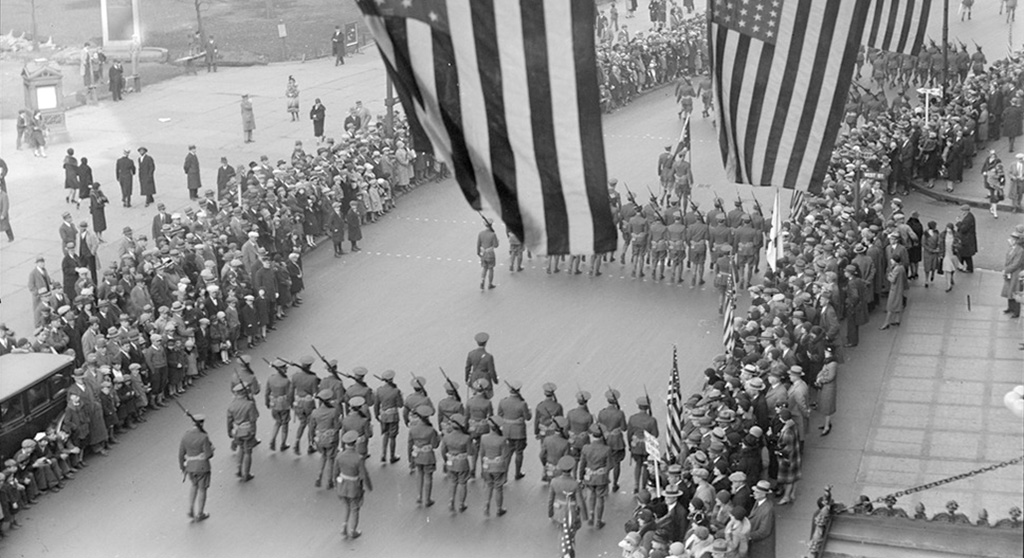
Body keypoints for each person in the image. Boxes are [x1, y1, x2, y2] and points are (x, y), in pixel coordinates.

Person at [334, 430, 371, 539]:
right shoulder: (358, 458)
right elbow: (364, 475)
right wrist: (369, 486)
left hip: (342, 486)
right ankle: (353, 531)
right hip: (354, 487)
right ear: (355, 443)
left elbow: (335, 473)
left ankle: (344, 526)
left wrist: (336, 485)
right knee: (355, 508)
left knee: (346, 506)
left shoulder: (339, 456)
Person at [178, 414, 214, 522]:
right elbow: (208, 454)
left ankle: (190, 507)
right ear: (202, 423)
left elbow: (181, 454)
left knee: (194, 485)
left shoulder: (185, 436)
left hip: (190, 467)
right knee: (202, 489)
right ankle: (200, 513)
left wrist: (182, 468)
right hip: (202, 466)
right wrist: (211, 450)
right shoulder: (203, 436)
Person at [497, 380, 531, 480]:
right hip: (519, 432)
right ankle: (517, 473)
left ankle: (504, 476)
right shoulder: (522, 404)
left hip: (506, 431)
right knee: (519, 453)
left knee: (507, 454)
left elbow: (499, 415)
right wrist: (529, 411)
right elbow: (528, 417)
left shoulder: (503, 401)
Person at [579, 424, 611, 528]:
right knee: (600, 498)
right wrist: (604, 470)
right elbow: (610, 465)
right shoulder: (606, 449)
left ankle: (591, 515)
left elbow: (582, 464)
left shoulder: (586, 448)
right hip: (601, 478)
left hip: (589, 476)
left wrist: (580, 477)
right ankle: (598, 521)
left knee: (591, 495)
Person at [408, 405, 440, 507]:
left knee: (419, 474)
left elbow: (410, 444)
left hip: (417, 455)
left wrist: (410, 458)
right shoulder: (431, 430)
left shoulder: (413, 429)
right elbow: (435, 445)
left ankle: (419, 496)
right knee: (428, 476)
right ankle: (427, 499)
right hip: (428, 456)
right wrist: (438, 438)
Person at [226, 382, 259, 481]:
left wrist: (229, 432)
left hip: (237, 430)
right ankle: (246, 474)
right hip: (247, 430)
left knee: (240, 448)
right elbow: (253, 419)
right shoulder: (249, 404)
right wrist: (253, 432)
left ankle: (238, 468)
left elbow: (229, 421)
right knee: (248, 452)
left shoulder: (232, 405)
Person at [309, 389, 342, 488]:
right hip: (330, 439)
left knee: (323, 456)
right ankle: (329, 481)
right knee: (330, 459)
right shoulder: (333, 411)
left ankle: (318, 476)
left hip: (319, 439)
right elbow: (337, 426)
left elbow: (311, 427)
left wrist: (311, 439)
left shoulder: (315, 412)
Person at [440, 413, 472, 512]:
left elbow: (443, 451)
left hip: (451, 462)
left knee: (452, 482)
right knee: (462, 483)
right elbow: (471, 452)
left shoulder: (446, 437)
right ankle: (461, 504)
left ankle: (451, 500)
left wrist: (446, 460)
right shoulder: (466, 438)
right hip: (462, 463)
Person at [479, 418, 510, 516]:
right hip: (498, 467)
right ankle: (499, 509)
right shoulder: (502, 440)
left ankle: (486, 504)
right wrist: (505, 472)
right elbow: (505, 457)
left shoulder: (483, 438)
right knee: (498, 488)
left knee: (489, 486)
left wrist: (482, 468)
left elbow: (482, 454)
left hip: (487, 466)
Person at [291, 356, 321, 455]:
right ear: (310, 366)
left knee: (302, 423)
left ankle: (297, 441)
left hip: (298, 402)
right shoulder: (313, 378)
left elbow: (291, 390)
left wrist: (291, 403)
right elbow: (315, 393)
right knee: (311, 425)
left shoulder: (295, 376)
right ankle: (310, 445)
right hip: (308, 403)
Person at [264, 359, 293, 452]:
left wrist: (267, 402)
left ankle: (272, 439)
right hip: (284, 405)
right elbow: (289, 395)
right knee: (285, 424)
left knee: (277, 422)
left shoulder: (270, 378)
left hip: (274, 404)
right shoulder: (286, 381)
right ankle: (283, 444)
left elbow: (267, 392)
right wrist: (292, 404)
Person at [374, 369, 403, 463]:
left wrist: (376, 415)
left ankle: (383, 454)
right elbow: (400, 404)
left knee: (385, 434)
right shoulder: (396, 390)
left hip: (383, 416)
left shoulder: (379, 390)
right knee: (392, 437)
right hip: (393, 416)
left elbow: (376, 404)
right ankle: (392, 456)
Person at [747, 480, 776, 558]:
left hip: (762, 546)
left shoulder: (767, 509)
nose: (754, 493)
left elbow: (764, 531)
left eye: (757, 492)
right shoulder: (758, 502)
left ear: (764, 494)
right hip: (756, 544)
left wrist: (748, 536)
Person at [1001, 226, 1024, 318]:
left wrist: (1006, 270)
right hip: (1010, 273)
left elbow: (1017, 264)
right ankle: (1010, 308)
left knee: (1014, 291)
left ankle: (1016, 311)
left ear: (1015, 241)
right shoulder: (1011, 248)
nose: (1009, 240)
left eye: (1011, 239)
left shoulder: (1020, 250)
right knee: (1009, 290)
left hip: (1015, 273)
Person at [880, 255, 907, 330]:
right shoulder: (902, 267)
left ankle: (886, 323)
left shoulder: (896, 269)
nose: (891, 262)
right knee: (898, 304)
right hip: (900, 289)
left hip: (894, 289)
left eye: (892, 260)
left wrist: (888, 275)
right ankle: (897, 320)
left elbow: (892, 280)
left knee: (890, 306)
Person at [477, 220, 499, 290]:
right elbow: (496, 245)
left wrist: (478, 252)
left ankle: (482, 280)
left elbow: (478, 244)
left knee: (484, 268)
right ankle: (490, 284)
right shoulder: (493, 234)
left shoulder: (481, 233)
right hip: (490, 254)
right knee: (491, 269)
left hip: (483, 253)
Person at [954, 205, 976, 273]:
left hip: (966, 239)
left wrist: (958, 222)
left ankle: (969, 268)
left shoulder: (968, 219)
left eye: (962, 211)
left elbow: (963, 229)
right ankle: (961, 266)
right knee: (962, 254)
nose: (961, 212)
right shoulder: (969, 216)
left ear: (966, 211)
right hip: (966, 239)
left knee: (966, 255)